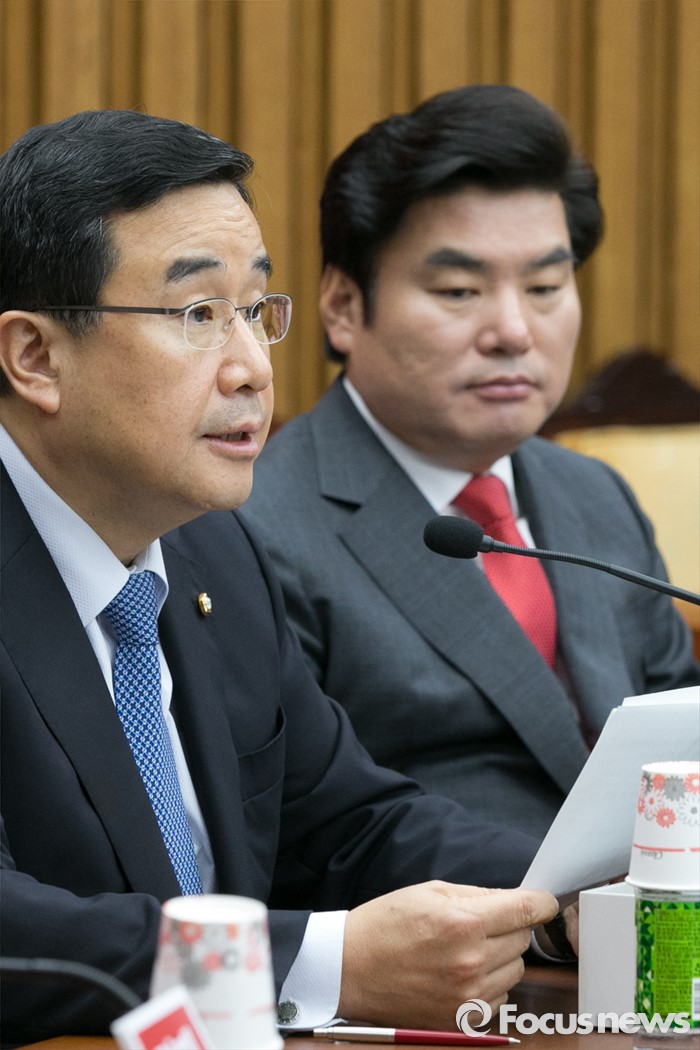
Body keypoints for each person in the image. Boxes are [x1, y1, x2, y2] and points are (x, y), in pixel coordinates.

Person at [0, 108, 565, 1047]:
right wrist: (321, 962)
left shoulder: (215, 551)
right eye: (197, 315)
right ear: (35, 356)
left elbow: (346, 820)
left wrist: (566, 898)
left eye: (257, 311)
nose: (253, 369)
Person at [244, 84, 700, 841]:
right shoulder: (257, 525)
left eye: (545, 286)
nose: (514, 331)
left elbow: (683, 747)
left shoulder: (594, 495)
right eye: (460, 290)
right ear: (344, 307)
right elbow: (310, 830)